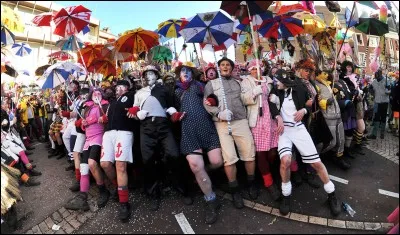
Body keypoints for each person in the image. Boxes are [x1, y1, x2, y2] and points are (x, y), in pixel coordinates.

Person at [268, 69, 341, 216]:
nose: (276, 83)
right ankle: (286, 195)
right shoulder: (276, 91)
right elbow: (271, 105)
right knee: (286, 161)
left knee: (316, 163)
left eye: (278, 80)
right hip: (284, 131)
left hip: (299, 129)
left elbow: (311, 102)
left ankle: (332, 195)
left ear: (286, 81)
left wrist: (304, 111)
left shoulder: (299, 88)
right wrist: (278, 117)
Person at [129, 65, 187, 212]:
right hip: (146, 127)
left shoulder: (164, 90)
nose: (149, 76)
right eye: (146, 74)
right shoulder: (139, 92)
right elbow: (135, 108)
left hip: (163, 126)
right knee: (148, 160)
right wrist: (137, 113)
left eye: (151, 73)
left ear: (156, 75)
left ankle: (180, 186)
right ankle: (153, 193)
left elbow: (170, 107)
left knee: (174, 154)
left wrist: (174, 114)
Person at [203, 57, 258, 209]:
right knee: (229, 158)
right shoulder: (211, 84)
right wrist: (218, 113)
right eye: (222, 65)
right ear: (219, 67)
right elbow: (206, 102)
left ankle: (251, 183)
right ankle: (235, 190)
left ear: (232, 68)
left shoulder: (238, 82)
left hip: (240, 121)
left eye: (228, 65)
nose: (225, 67)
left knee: (249, 154)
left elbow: (246, 99)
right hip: (222, 124)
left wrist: (255, 93)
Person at [174, 62, 223, 224]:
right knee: (195, 165)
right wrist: (173, 115)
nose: (185, 73)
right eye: (182, 71)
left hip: (206, 127)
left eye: (188, 70)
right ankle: (210, 199)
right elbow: (170, 109)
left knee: (217, 162)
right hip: (188, 131)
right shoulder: (175, 90)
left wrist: (212, 99)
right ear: (179, 75)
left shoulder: (201, 85)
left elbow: (215, 96)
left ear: (192, 73)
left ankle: (203, 174)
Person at [240, 59, 280, 200]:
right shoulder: (245, 81)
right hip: (257, 120)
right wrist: (253, 92)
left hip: (271, 119)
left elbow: (276, 95)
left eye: (257, 68)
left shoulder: (269, 80)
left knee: (273, 151)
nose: (255, 71)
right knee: (261, 153)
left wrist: (276, 99)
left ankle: (268, 172)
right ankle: (268, 182)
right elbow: (243, 99)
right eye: (252, 69)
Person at [65, 89, 111, 211]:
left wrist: (105, 118)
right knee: (84, 168)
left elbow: (110, 119)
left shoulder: (106, 105)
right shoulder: (87, 108)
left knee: (92, 163)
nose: (97, 95)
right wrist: (82, 123)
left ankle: (103, 191)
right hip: (88, 140)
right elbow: (82, 127)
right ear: (91, 97)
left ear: (102, 96)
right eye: (94, 94)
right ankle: (82, 198)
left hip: (99, 138)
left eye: (99, 93)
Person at [100, 80, 136, 223]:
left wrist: (136, 108)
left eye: (119, 87)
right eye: (116, 87)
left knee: (120, 165)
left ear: (126, 87)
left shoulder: (132, 95)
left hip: (124, 131)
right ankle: (118, 187)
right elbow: (108, 117)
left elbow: (139, 105)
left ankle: (124, 203)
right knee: (105, 164)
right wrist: (104, 118)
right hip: (109, 133)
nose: (116, 89)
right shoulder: (112, 103)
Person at [340, 61, 365, 154]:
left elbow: (358, 89)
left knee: (359, 128)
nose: (349, 68)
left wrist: (359, 91)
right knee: (351, 129)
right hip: (349, 106)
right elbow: (345, 91)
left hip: (358, 104)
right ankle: (347, 149)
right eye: (347, 67)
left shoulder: (355, 77)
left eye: (350, 67)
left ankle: (356, 145)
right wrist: (354, 92)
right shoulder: (342, 78)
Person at [368, 69, 391, 139]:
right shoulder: (374, 82)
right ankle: (374, 134)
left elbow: (390, 90)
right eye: (376, 75)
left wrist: (388, 90)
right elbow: (370, 89)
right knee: (376, 118)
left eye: (378, 74)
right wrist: (372, 93)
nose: (377, 76)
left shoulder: (386, 80)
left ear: (381, 74)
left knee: (383, 118)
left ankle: (382, 133)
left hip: (384, 102)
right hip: (377, 102)